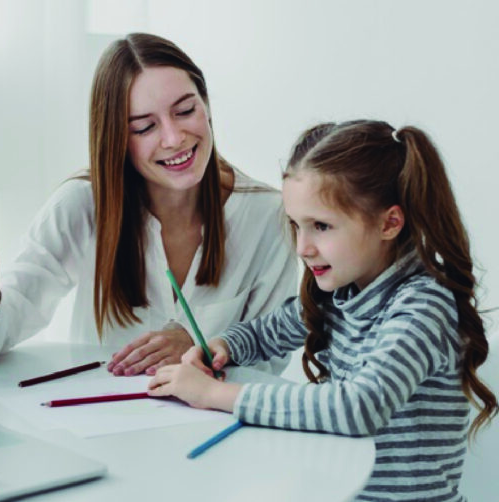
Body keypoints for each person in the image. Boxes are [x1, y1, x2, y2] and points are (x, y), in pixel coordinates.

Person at [147, 120, 498, 500]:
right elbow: (267, 332)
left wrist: (216, 395)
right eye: (296, 226)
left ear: (389, 223)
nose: (303, 247)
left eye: (321, 226)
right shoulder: (339, 290)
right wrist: (223, 346)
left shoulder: (423, 305)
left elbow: (359, 406)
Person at [0, 33, 297, 376]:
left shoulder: (268, 216)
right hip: (101, 430)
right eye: (144, 127)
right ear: (116, 137)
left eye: (185, 111)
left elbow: (270, 362)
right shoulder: (82, 203)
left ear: (207, 105)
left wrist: (203, 351)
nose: (174, 137)